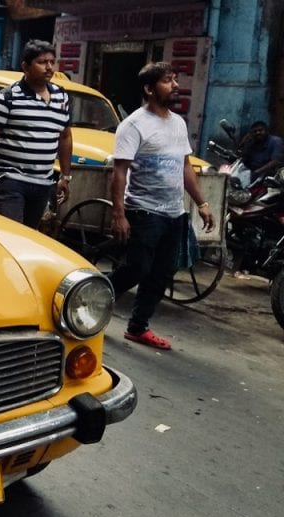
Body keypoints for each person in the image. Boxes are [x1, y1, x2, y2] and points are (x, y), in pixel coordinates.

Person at [108, 61, 216, 350]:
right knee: (137, 269)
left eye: (175, 79)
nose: (176, 85)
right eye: (168, 80)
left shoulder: (178, 123)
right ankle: (91, 302)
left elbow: (185, 167)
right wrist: (119, 214)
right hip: (143, 211)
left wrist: (201, 203)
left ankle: (137, 327)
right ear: (149, 88)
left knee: (162, 274)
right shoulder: (133, 125)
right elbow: (119, 172)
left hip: (173, 213)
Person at [0, 39, 72, 229]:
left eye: (52, 62)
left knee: (30, 238)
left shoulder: (62, 97)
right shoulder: (6, 99)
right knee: (12, 235)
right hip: (11, 182)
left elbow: (65, 137)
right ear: (25, 66)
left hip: (43, 182)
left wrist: (65, 177)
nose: (49, 67)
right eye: (42, 62)